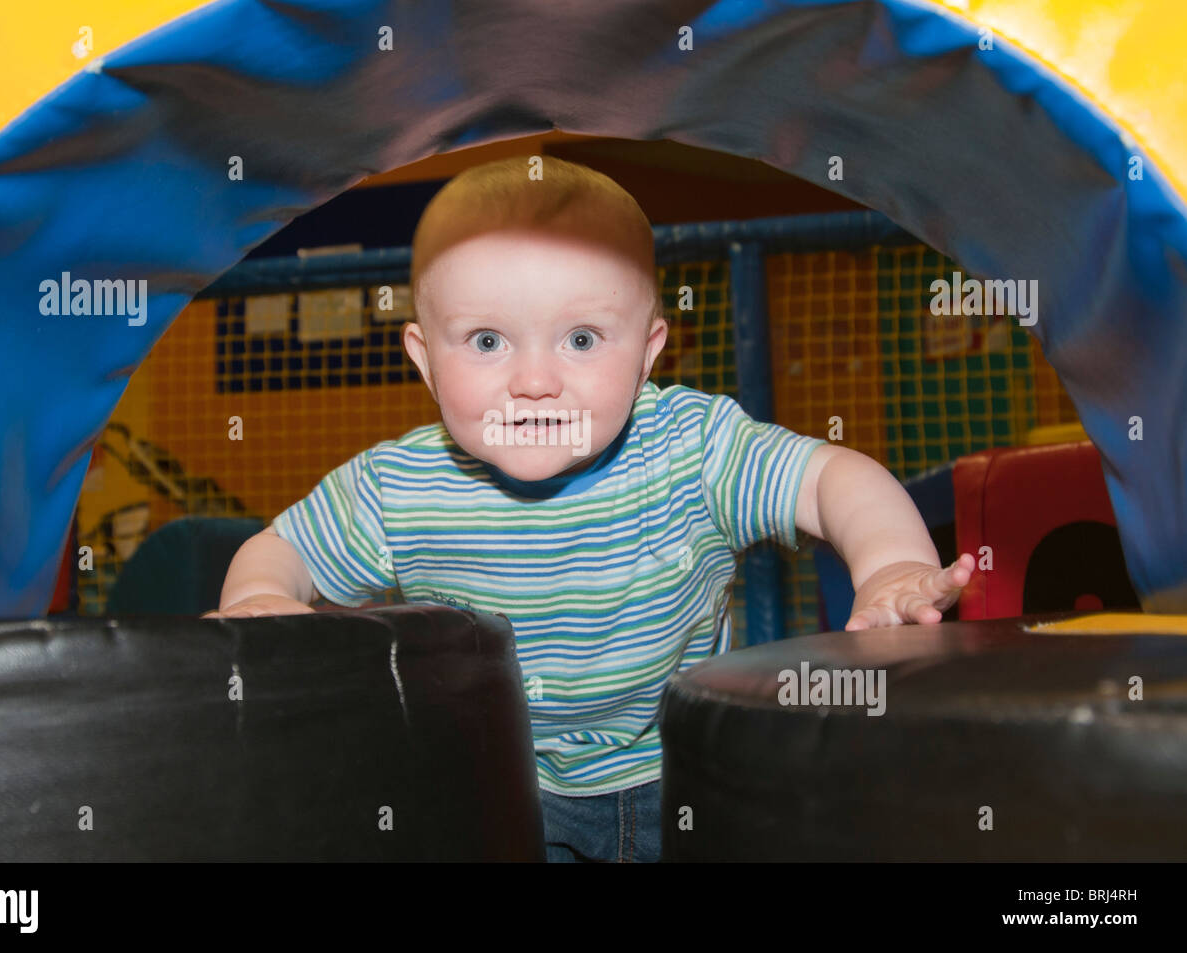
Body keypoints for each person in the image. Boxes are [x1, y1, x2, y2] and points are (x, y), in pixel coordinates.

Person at [205, 155, 975, 862]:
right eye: (485, 341)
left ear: (646, 353)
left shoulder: (691, 448)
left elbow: (830, 478)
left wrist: (891, 566)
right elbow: (286, 548)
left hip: (686, 775)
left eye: (580, 338)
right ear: (424, 360)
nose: (535, 380)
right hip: (498, 789)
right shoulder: (400, 485)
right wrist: (259, 599)